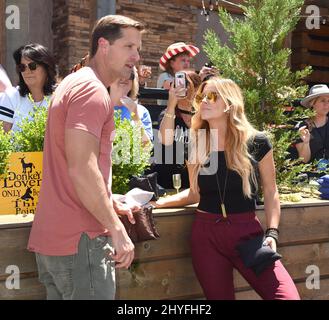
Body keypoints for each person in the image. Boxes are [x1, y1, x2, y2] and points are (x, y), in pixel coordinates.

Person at [27, 15, 145, 300]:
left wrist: (105, 195)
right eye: (129, 46)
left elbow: (72, 162)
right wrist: (116, 229)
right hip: (82, 242)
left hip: (55, 241)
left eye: (137, 48)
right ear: (103, 45)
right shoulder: (92, 90)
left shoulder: (74, 82)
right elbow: (82, 167)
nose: (136, 56)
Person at [153, 77, 300, 300]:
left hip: (247, 233)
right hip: (206, 235)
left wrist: (272, 232)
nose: (204, 102)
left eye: (212, 96)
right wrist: (158, 202)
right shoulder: (197, 142)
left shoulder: (257, 141)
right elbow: (194, 193)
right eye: (201, 97)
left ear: (229, 103)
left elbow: (270, 191)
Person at [151, 70, 201, 189]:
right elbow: (165, 140)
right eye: (177, 83)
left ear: (197, 88)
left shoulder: (202, 116)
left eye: (185, 83)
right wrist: (171, 105)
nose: (181, 87)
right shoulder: (168, 114)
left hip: (194, 185)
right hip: (167, 183)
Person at [0, 43, 57, 132]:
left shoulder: (59, 98)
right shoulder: (11, 97)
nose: (27, 71)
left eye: (32, 66)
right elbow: (3, 141)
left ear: (47, 68)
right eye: (22, 67)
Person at [110, 66, 153, 143]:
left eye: (129, 74)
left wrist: (135, 116)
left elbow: (147, 148)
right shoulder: (99, 107)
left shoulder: (141, 111)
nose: (124, 77)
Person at [295, 84, 329, 167]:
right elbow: (304, 160)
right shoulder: (302, 127)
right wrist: (306, 142)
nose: (326, 104)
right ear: (312, 103)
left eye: (328, 101)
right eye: (322, 100)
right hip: (312, 176)